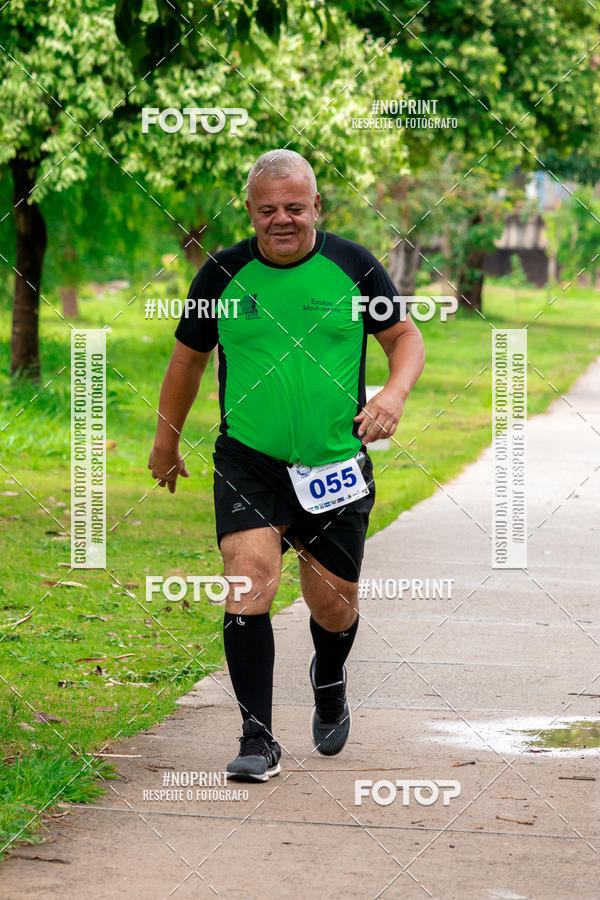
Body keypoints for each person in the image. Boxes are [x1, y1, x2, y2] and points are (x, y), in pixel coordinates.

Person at [148, 149, 425, 782]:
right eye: (267, 209)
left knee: (332, 603)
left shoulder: (353, 266)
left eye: (295, 208)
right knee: (249, 579)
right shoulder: (220, 275)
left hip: (334, 464)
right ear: (249, 210)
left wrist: (392, 393)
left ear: (316, 207)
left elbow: (406, 339)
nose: (282, 219)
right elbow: (187, 362)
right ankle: (257, 736)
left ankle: (329, 677)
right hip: (249, 460)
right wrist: (166, 442)